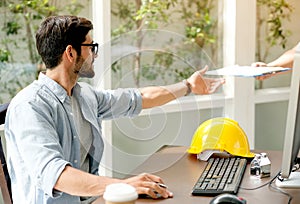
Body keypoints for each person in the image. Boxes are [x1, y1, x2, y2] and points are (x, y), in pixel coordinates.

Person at [4, 15, 225, 204]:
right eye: (91, 47)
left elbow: (138, 98)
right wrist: (123, 185)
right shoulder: (30, 107)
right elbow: (57, 176)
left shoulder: (84, 95)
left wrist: (187, 86)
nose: (94, 55)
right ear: (71, 54)